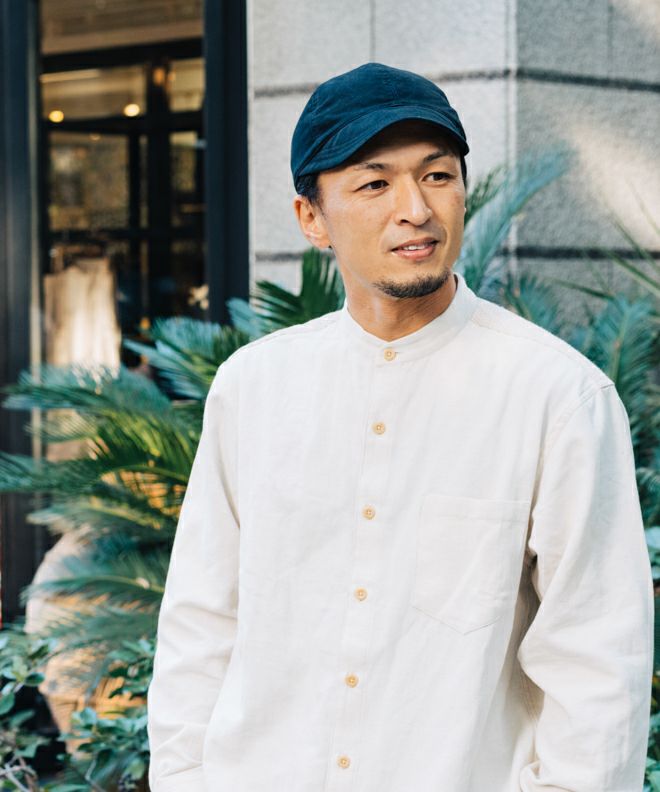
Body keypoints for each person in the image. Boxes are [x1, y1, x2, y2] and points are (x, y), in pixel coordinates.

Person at [146, 62, 654, 791]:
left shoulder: (558, 395)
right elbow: (200, 623)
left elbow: (597, 661)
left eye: (437, 176)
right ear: (311, 218)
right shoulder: (252, 388)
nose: (415, 208)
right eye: (374, 183)